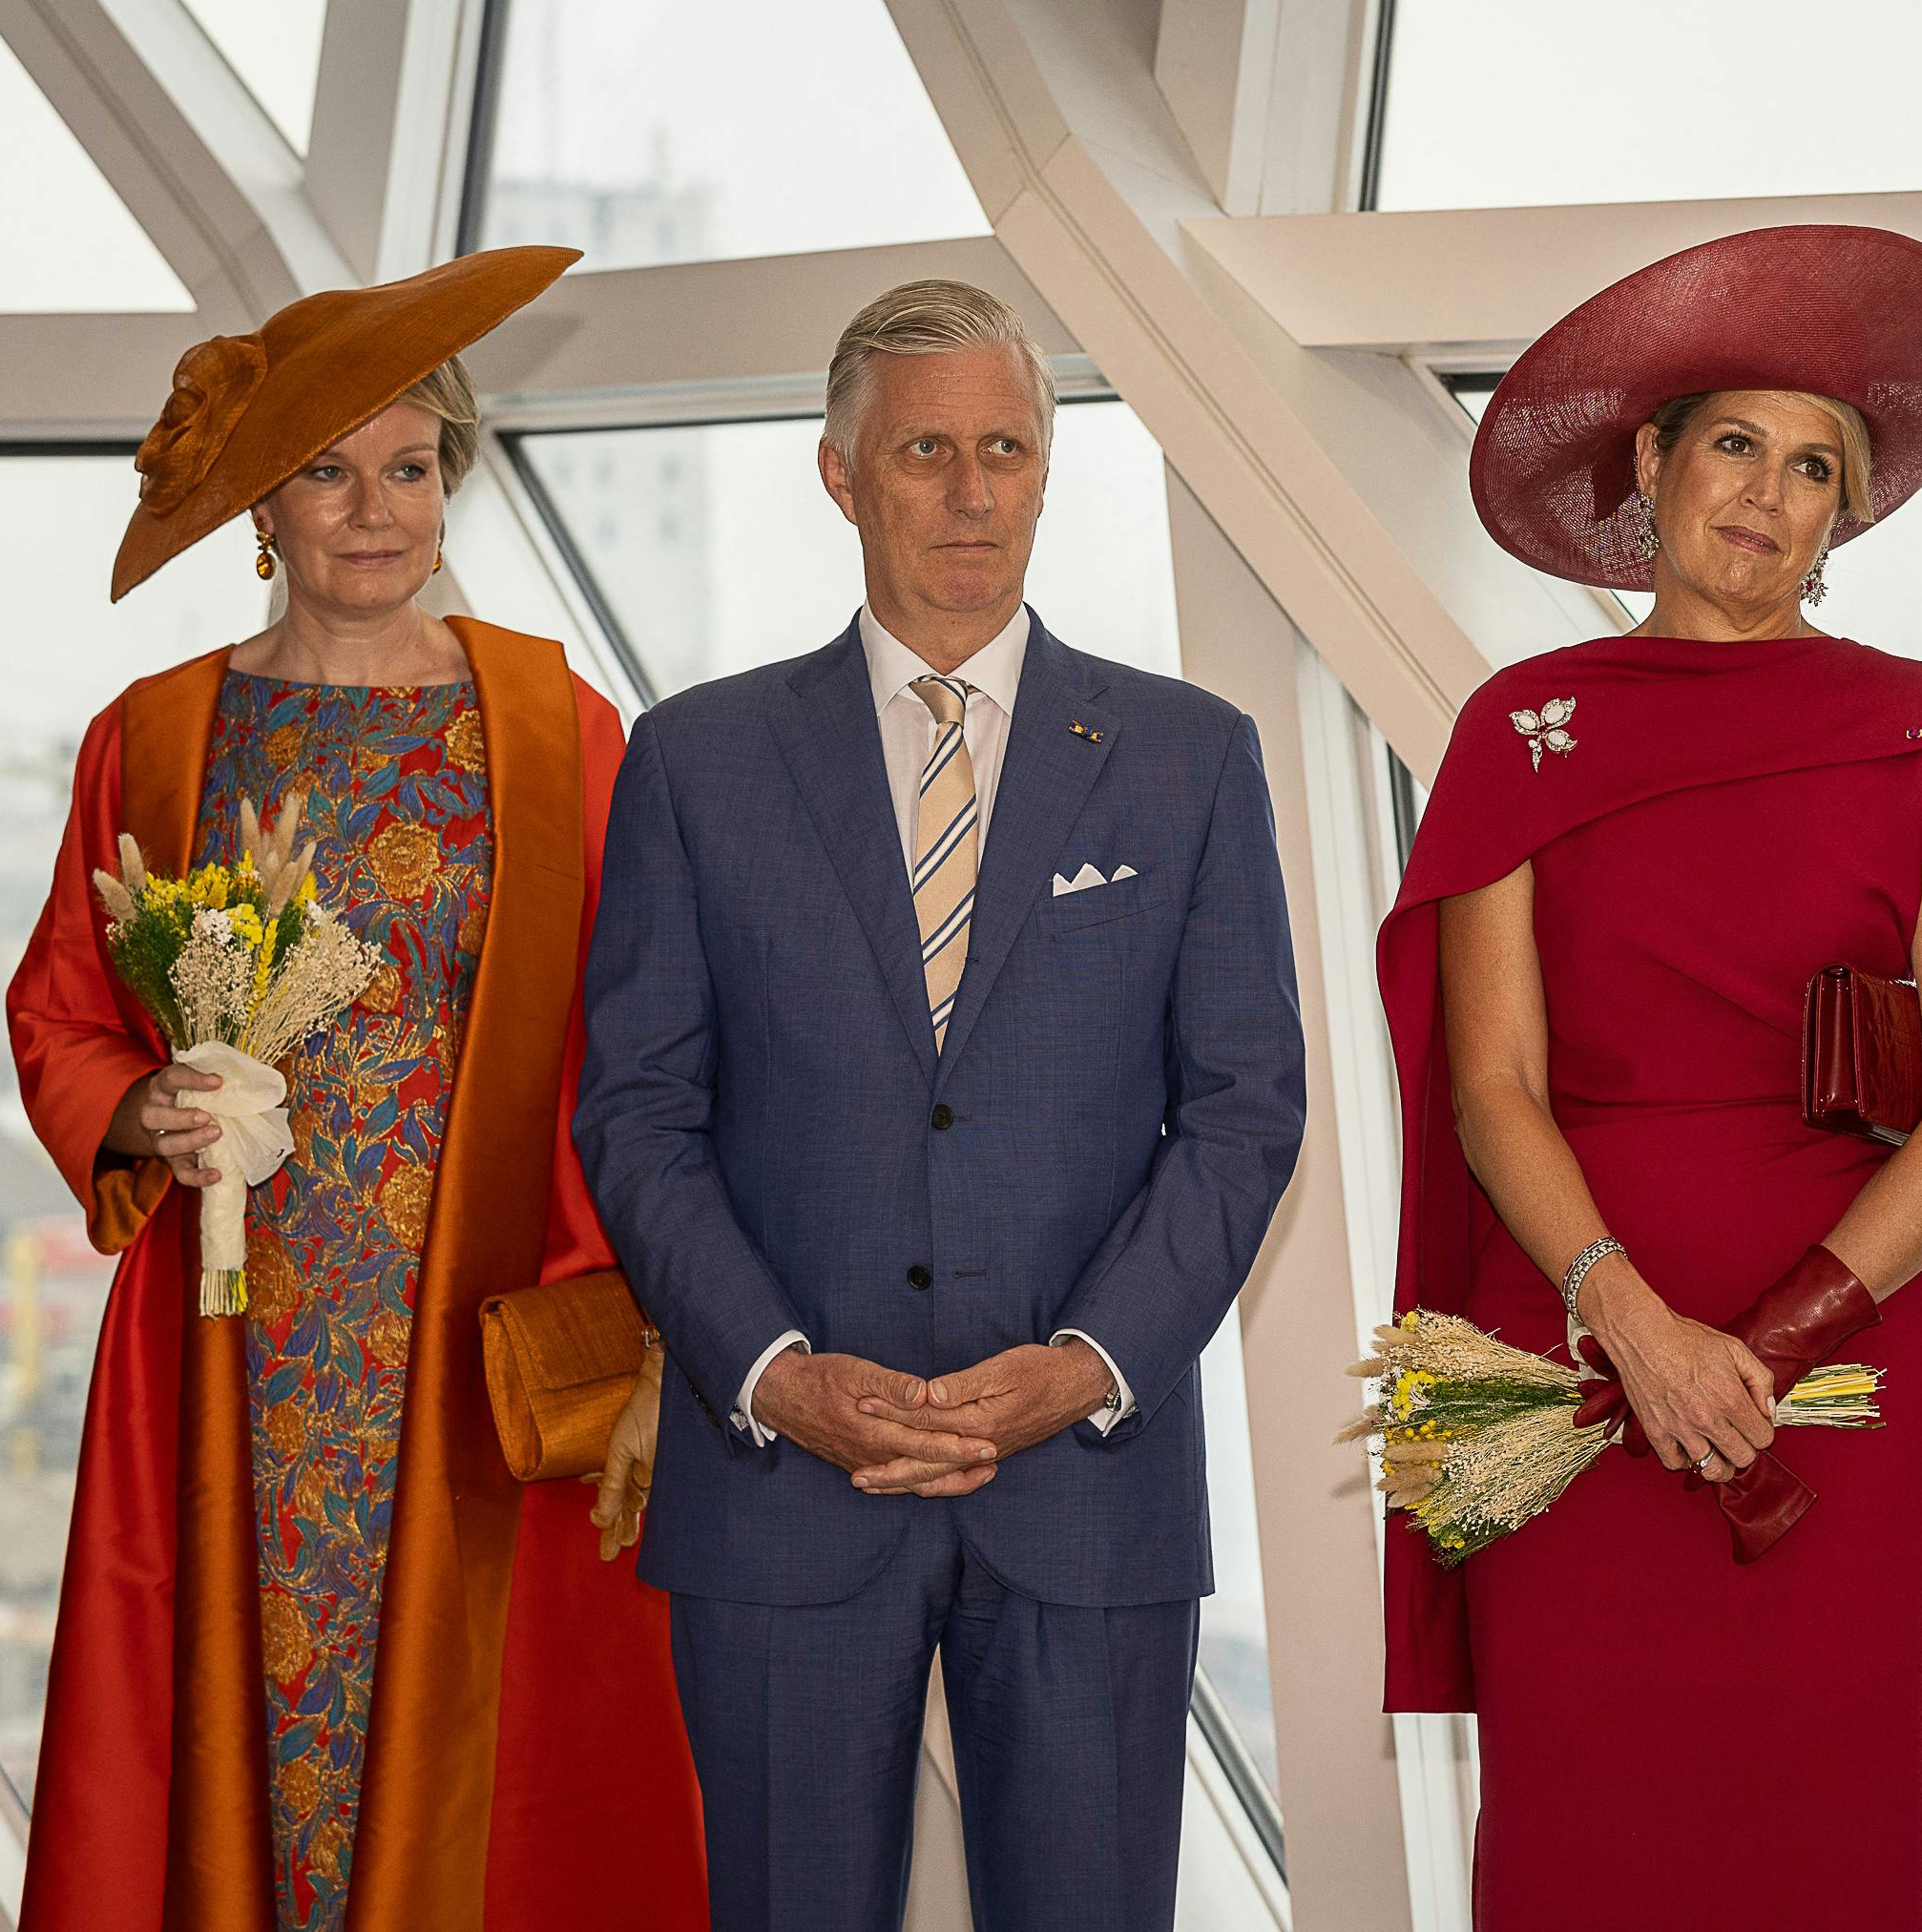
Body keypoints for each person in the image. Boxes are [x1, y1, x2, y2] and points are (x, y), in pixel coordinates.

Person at [574, 278, 1306, 1932]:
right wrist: (771, 1371)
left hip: (1087, 1486)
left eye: (1005, 449)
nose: (972, 493)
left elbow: (1249, 1108)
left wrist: (1086, 1365)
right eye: (924, 452)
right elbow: (636, 1112)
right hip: (776, 1486)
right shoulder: (693, 759)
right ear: (841, 474)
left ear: (1047, 469)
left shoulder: (1193, 755)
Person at [6, 250, 707, 1932]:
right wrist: (142, 1104)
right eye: (328, 469)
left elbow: (654, 1038)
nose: (375, 510)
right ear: (266, 499)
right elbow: (57, 1006)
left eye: (410, 464)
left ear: (453, 477)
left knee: (506, 1770)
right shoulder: (160, 735)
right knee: (241, 1718)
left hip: (487, 1323)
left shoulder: (555, 724)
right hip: (233, 1332)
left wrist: (660, 1319)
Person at [1376, 224, 1922, 1927]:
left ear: (1844, 512)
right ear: (1650, 463)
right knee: (1578, 1836)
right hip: (1569, 1376)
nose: (1765, 492)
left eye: (1811, 465)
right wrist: (1640, 1329)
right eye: (1733, 442)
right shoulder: (1518, 727)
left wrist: (1772, 1341)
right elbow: (1489, 1087)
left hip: (1845, 1395)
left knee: (1828, 1832)